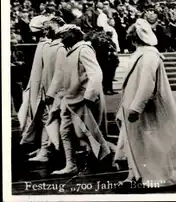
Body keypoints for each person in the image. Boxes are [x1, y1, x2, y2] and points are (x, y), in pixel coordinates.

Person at [114, 19, 176, 189]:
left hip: (146, 109)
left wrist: (136, 107)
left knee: (150, 142)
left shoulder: (149, 56)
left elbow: (147, 83)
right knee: (134, 142)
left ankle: (159, 178)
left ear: (135, 38)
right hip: (133, 107)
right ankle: (133, 176)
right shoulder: (140, 55)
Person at [52, 24, 111, 175]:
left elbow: (96, 74)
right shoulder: (69, 51)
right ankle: (70, 165)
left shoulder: (84, 49)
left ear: (72, 34)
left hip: (82, 100)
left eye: (63, 36)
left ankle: (107, 161)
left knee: (88, 132)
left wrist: (89, 96)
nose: (61, 40)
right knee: (66, 131)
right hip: (69, 99)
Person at [28, 17, 67, 162]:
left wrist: (50, 92)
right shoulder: (49, 46)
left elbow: (59, 72)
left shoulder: (58, 47)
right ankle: (45, 148)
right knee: (48, 119)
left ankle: (47, 150)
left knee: (52, 120)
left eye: (46, 29)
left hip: (54, 92)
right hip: (48, 89)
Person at [18, 15, 52, 150]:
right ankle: (42, 148)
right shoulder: (43, 44)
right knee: (40, 117)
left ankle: (45, 149)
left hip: (44, 88)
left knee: (45, 117)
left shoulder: (46, 45)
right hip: (39, 86)